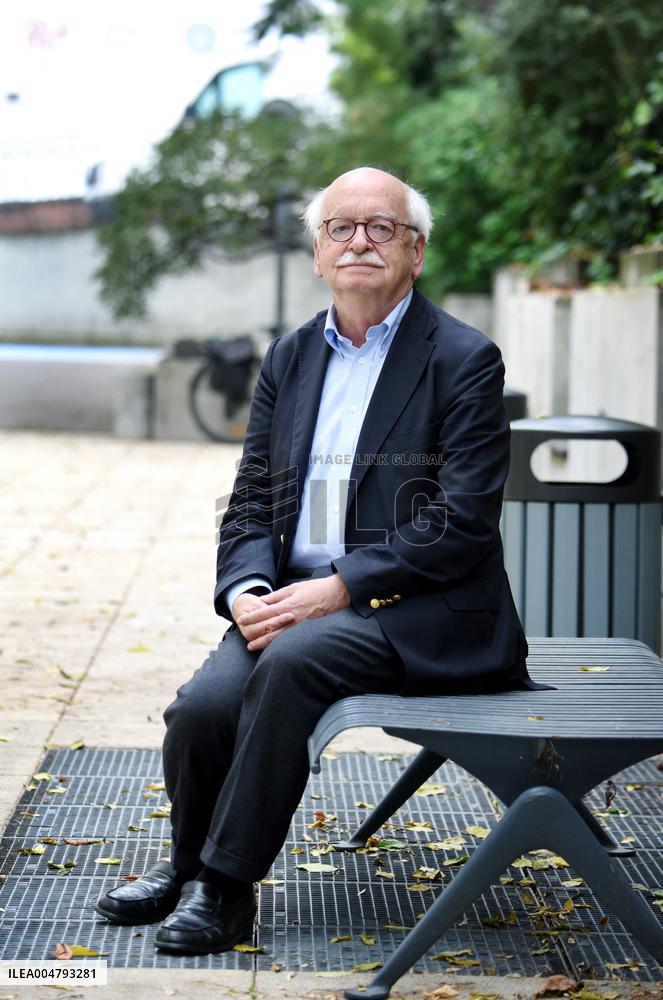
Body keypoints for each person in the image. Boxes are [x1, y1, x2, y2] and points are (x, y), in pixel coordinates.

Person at [95, 166, 534, 954]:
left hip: (420, 612)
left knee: (291, 664)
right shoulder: (290, 357)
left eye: (381, 227)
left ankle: (225, 889)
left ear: (415, 252)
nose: (359, 241)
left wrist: (337, 588)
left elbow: (461, 521)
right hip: (296, 598)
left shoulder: (463, 358)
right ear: (317, 254)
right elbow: (252, 498)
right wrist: (245, 588)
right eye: (340, 227)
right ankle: (187, 865)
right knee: (202, 707)